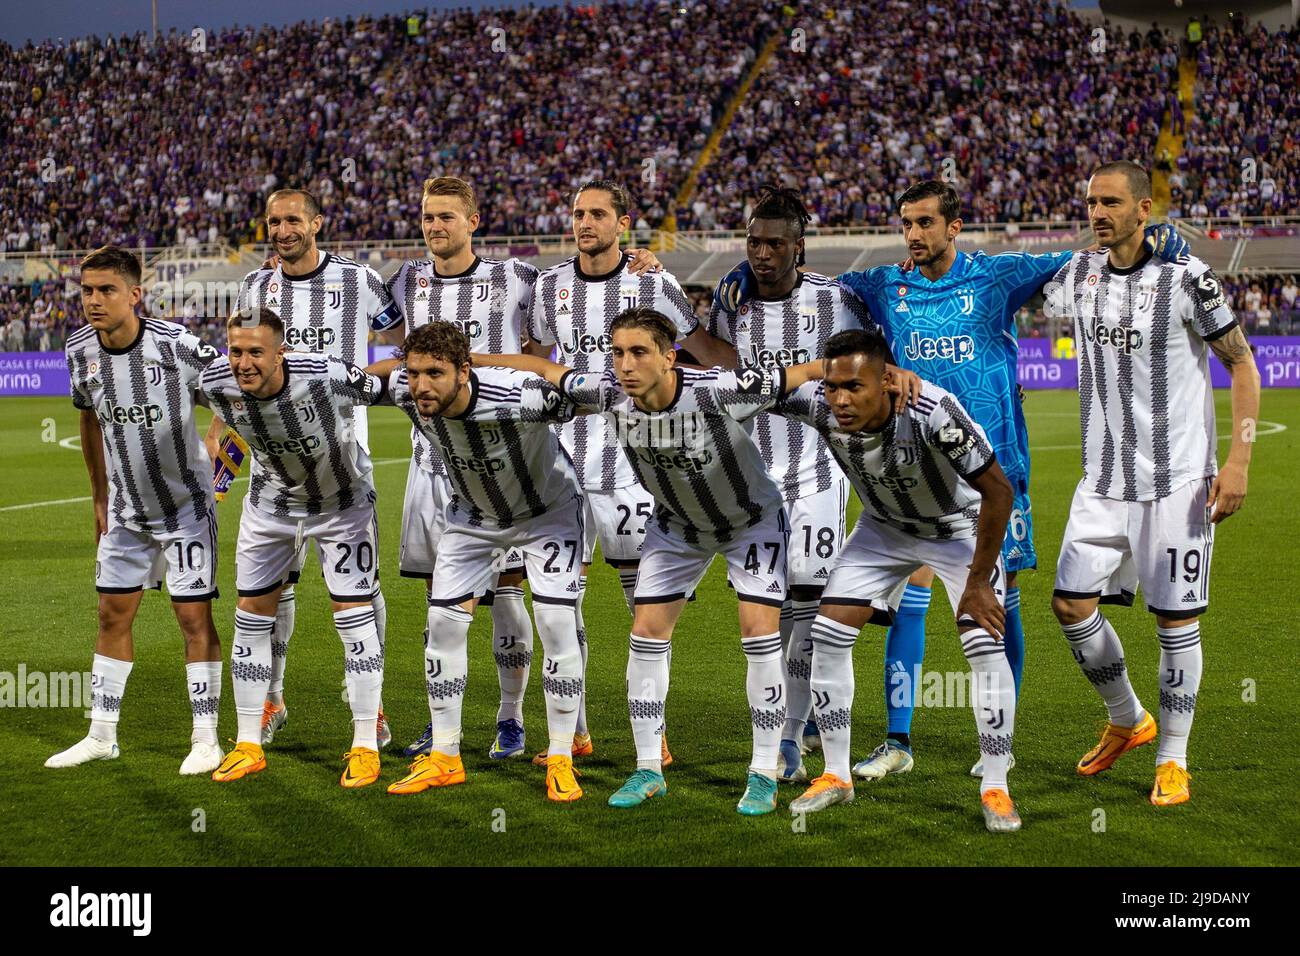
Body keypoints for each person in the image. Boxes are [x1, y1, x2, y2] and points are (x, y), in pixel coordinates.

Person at [478, 307, 921, 816]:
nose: (625, 364)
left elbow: (808, 371)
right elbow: (540, 369)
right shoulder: (606, 394)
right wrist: (474, 359)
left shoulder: (719, 390)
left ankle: (761, 774)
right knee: (645, 636)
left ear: (669, 358)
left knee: (759, 637)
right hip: (676, 529)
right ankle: (648, 767)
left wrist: (889, 375)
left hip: (750, 522)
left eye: (639, 352)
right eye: (618, 352)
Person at [1047, 161, 1261, 807]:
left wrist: (1240, 461)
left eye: (1111, 202)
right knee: (1068, 604)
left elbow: (1243, 364)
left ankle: (1173, 758)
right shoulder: (1078, 274)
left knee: (1174, 622)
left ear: (1145, 209)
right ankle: (1127, 718)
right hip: (1102, 478)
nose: (1096, 212)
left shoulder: (1189, 277)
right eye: (1090, 202)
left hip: (1177, 483)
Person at [771, 328, 1020, 832]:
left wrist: (978, 583)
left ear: (886, 382)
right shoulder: (820, 404)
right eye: (833, 386)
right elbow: (758, 386)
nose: (840, 400)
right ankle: (836, 775)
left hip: (956, 529)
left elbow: (998, 493)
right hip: (883, 529)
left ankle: (996, 785)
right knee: (827, 636)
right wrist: (818, 372)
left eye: (854, 387)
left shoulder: (934, 412)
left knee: (983, 645)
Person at [524, 180, 735, 767]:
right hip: (562, 463)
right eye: (577, 213)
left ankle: (654, 735)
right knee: (558, 605)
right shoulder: (550, 287)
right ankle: (576, 732)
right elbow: (539, 357)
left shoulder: (654, 283)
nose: (584, 222)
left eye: (597, 213)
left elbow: (695, 354)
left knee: (644, 607)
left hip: (632, 466)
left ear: (623, 221)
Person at [706, 184, 883, 783]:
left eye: (774, 243)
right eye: (753, 242)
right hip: (753, 478)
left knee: (807, 604)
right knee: (765, 610)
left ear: (798, 247)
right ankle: (785, 719)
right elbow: (713, 359)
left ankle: (788, 736)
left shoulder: (837, 300)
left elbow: (871, 358)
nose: (761, 253)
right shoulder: (733, 302)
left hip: (818, 473)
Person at [368, 321, 587, 802]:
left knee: (555, 622)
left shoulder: (522, 397)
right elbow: (367, 377)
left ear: (464, 372)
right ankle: (446, 756)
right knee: (442, 626)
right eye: (414, 372)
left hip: (546, 514)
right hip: (471, 518)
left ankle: (561, 756)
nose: (422, 385)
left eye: (435, 373)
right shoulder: (409, 393)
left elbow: (572, 384)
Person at [231, 189, 400, 749]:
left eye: (293, 220)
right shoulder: (255, 287)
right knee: (274, 588)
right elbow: (239, 375)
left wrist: (356, 382)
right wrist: (225, 440)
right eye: (274, 221)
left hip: (342, 461)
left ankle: (366, 704)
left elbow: (401, 343)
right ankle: (271, 698)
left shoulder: (360, 281)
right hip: (272, 467)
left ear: (316, 223)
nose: (282, 230)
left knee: (358, 585)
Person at [47, 245, 224, 776]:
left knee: (192, 617)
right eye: (87, 291)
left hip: (185, 508)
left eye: (107, 291)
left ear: (135, 294)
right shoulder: (79, 350)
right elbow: (87, 419)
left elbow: (234, 389)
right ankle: (101, 735)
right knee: (110, 614)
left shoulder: (176, 346)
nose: (94, 301)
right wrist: (99, 496)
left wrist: (218, 451)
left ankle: (206, 738)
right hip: (126, 513)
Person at [199, 308, 391, 788]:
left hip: (341, 504)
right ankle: (247, 743)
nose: (243, 363)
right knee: (250, 614)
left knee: (351, 613)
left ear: (281, 352)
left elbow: (381, 380)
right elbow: (217, 413)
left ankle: (366, 743)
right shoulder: (216, 380)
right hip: (271, 508)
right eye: (236, 351)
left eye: (256, 353)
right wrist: (214, 451)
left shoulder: (325, 374)